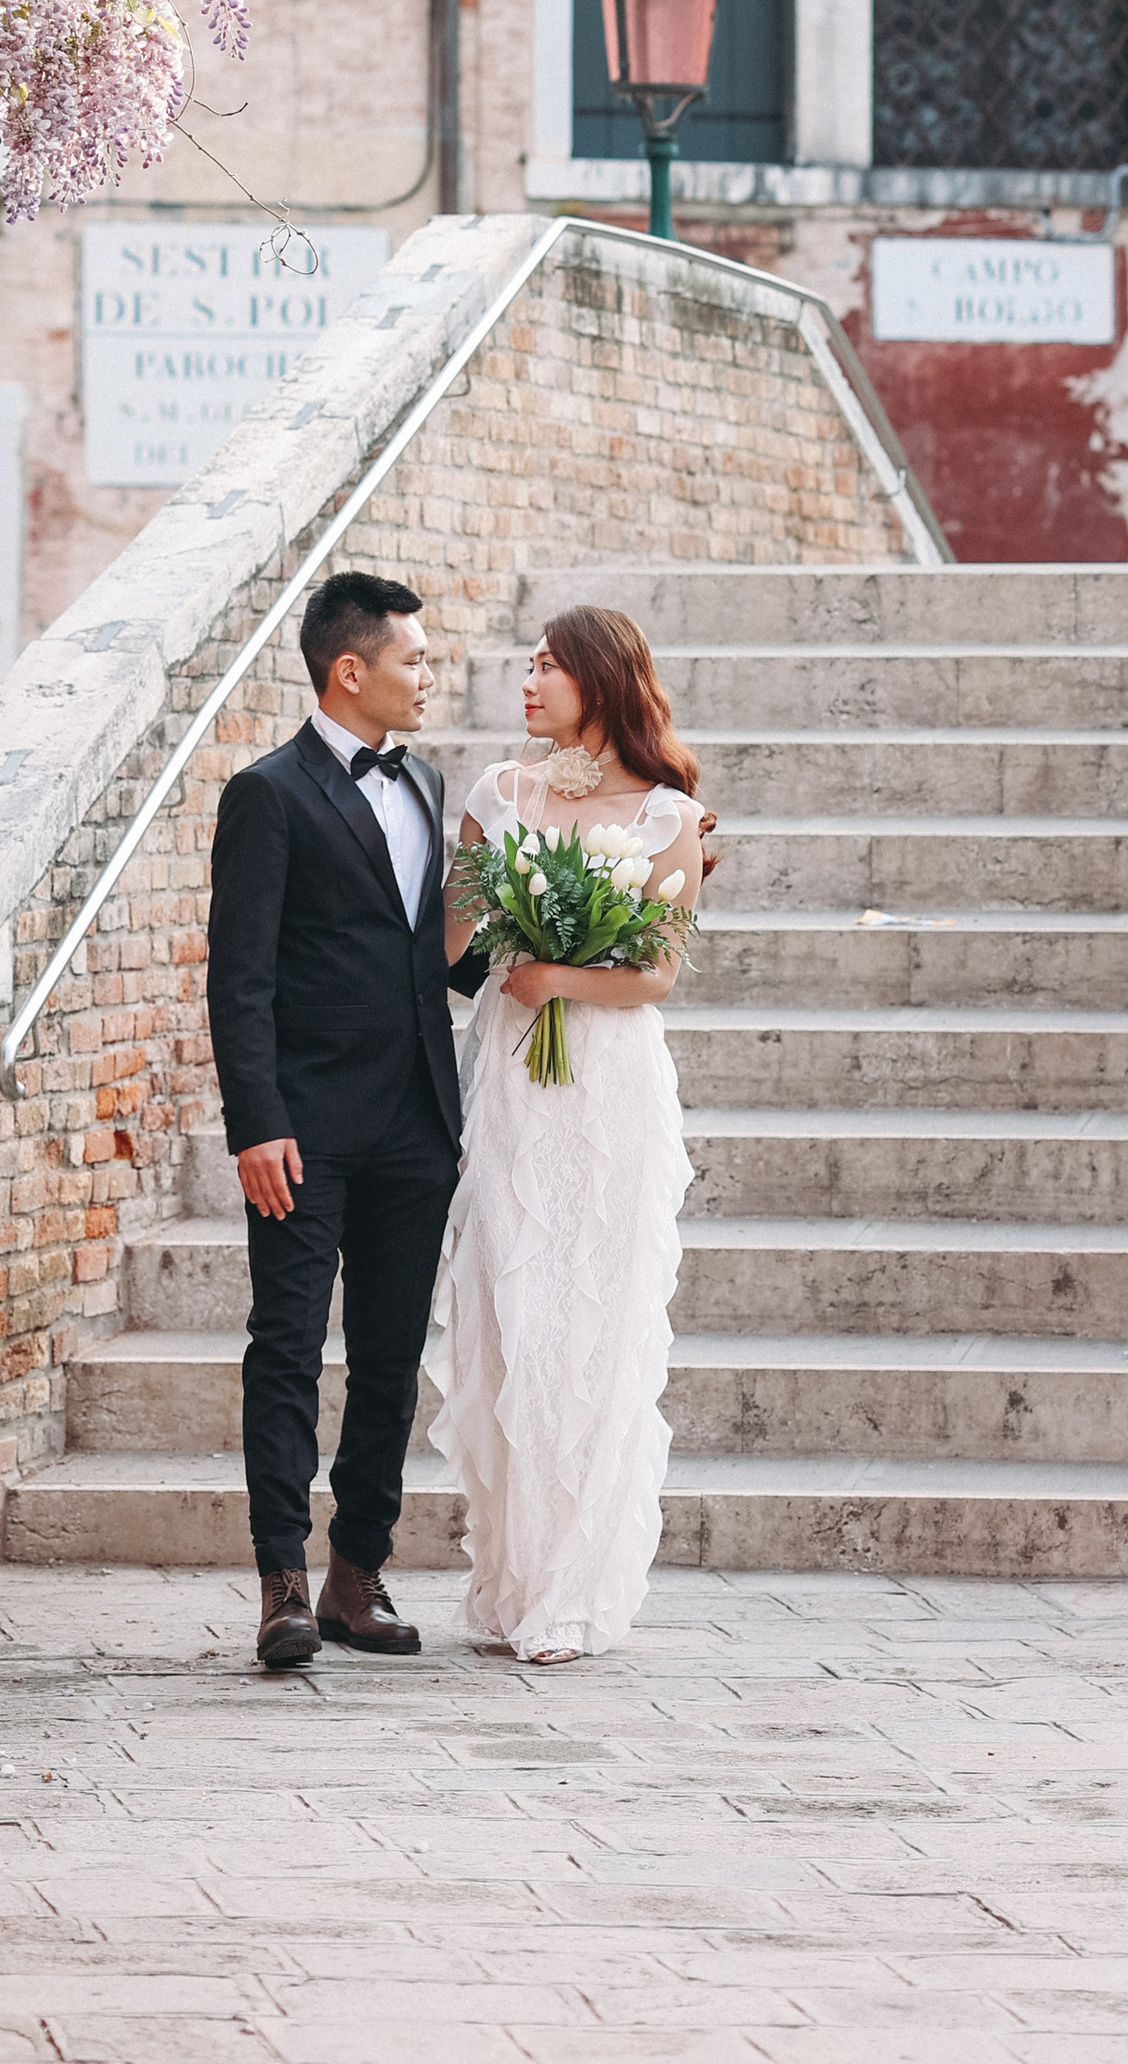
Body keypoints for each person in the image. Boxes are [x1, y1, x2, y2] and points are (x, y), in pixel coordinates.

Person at [205, 569, 478, 1673]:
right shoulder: (267, 795)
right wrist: (255, 1122)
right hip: (304, 1128)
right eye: (414, 658)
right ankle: (280, 1576)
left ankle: (357, 1570)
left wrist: (592, 922)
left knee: (389, 1354)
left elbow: (440, 963)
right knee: (285, 1346)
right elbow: (241, 977)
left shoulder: (427, 786)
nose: (429, 675)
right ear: (349, 669)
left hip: (417, 1118)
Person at [428, 604, 704, 1665]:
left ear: (599, 678)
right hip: (508, 1074)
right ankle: (515, 1574)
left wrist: (558, 972)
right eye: (529, 663)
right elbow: (450, 948)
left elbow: (657, 975)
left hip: (607, 1087)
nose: (528, 680)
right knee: (509, 1313)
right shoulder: (497, 795)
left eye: (547, 664)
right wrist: (486, 918)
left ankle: (576, 1588)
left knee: (594, 1318)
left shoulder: (667, 816)